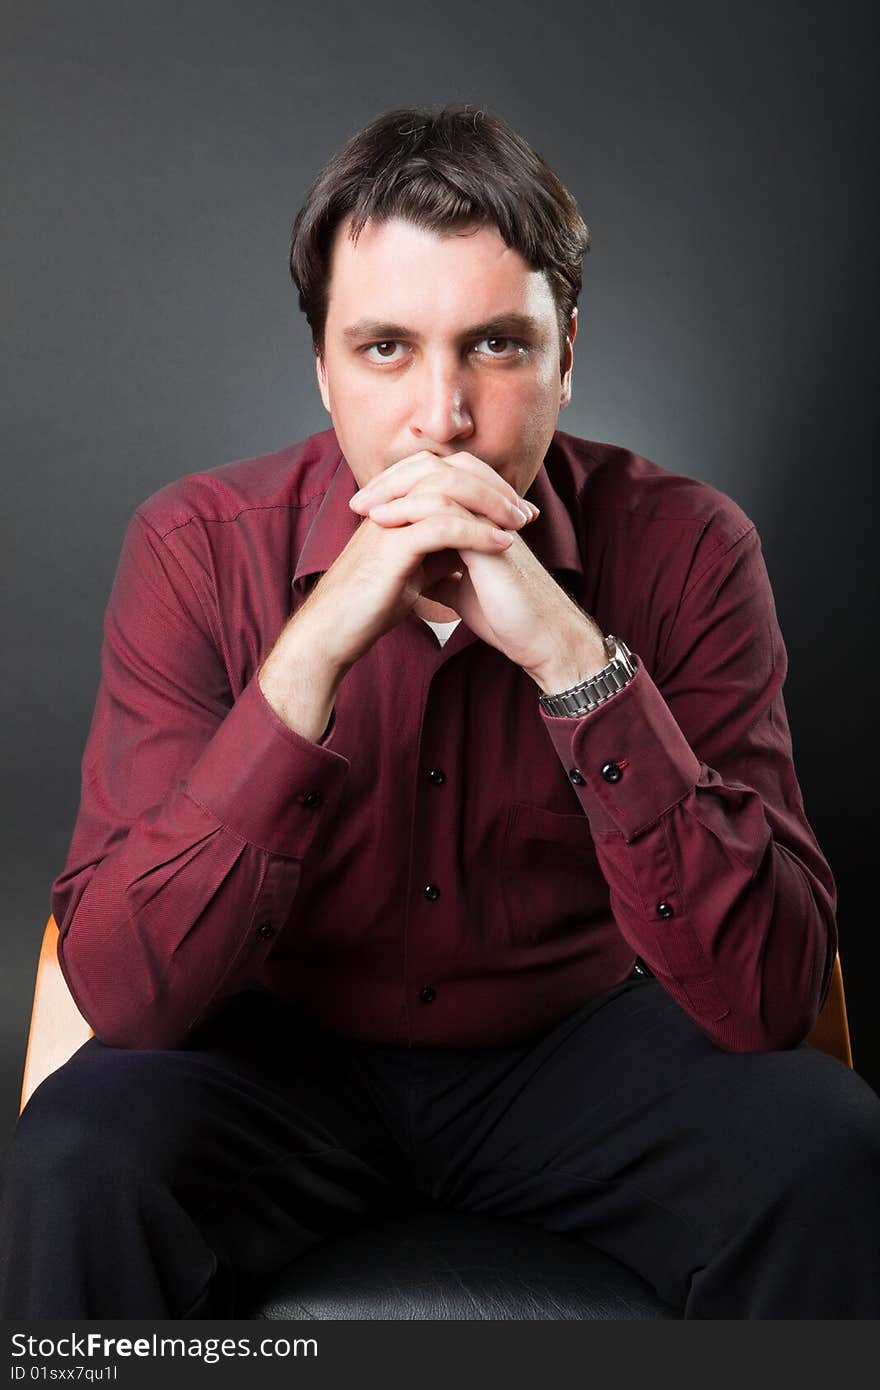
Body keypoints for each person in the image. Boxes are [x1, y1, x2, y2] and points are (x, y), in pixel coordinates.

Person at [1, 103, 878, 1320]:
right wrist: (312, 654)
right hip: (281, 1059)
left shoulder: (691, 547)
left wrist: (575, 658)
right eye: (385, 349)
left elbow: (772, 992)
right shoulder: (195, 548)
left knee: (826, 1147)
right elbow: (128, 990)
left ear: (569, 353)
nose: (443, 417)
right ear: (320, 365)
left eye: (498, 348)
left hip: (580, 1051)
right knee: (78, 1157)